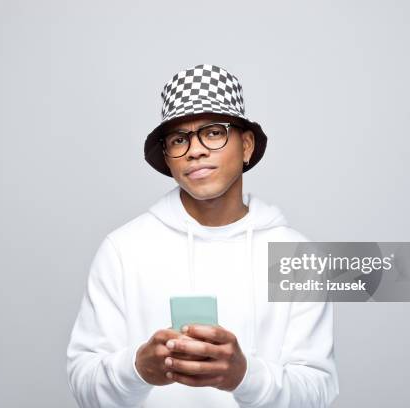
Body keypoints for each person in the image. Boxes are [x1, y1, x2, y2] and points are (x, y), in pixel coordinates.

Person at [66, 63, 339, 407]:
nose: (195, 150)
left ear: (247, 145)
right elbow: (83, 386)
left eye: (213, 132)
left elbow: (317, 392)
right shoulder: (123, 250)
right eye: (180, 139)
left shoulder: (298, 256)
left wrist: (244, 376)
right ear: (168, 157)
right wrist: (137, 369)